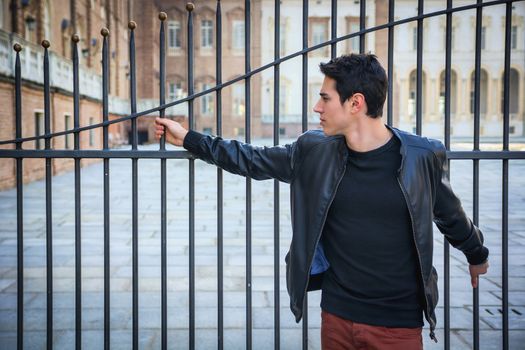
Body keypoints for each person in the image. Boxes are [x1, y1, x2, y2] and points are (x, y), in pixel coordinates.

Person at [155, 53, 489, 350]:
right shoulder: (314, 151)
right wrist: (189, 138)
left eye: (325, 99)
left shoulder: (421, 156)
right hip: (337, 317)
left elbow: (449, 213)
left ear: (355, 103)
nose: (317, 107)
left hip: (397, 324)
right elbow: (251, 159)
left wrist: (476, 253)